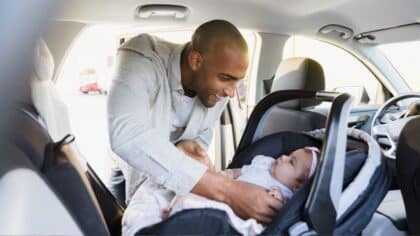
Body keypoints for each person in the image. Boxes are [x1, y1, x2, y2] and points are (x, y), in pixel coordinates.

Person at [107, 19, 283, 225]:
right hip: (128, 165)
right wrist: (228, 191)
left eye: (238, 80)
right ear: (196, 61)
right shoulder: (142, 58)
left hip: (168, 184)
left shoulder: (219, 90)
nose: (231, 92)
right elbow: (126, 134)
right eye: (226, 78)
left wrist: (187, 147)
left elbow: (203, 132)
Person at [122, 146, 319, 236]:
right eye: (288, 155)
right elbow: (238, 171)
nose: (283, 157)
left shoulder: (285, 193)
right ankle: (173, 211)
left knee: (201, 206)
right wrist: (222, 175)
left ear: (298, 185)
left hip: (241, 210)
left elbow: (280, 212)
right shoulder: (264, 163)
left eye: (291, 162)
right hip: (224, 193)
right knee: (190, 191)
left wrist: (279, 199)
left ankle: (179, 213)